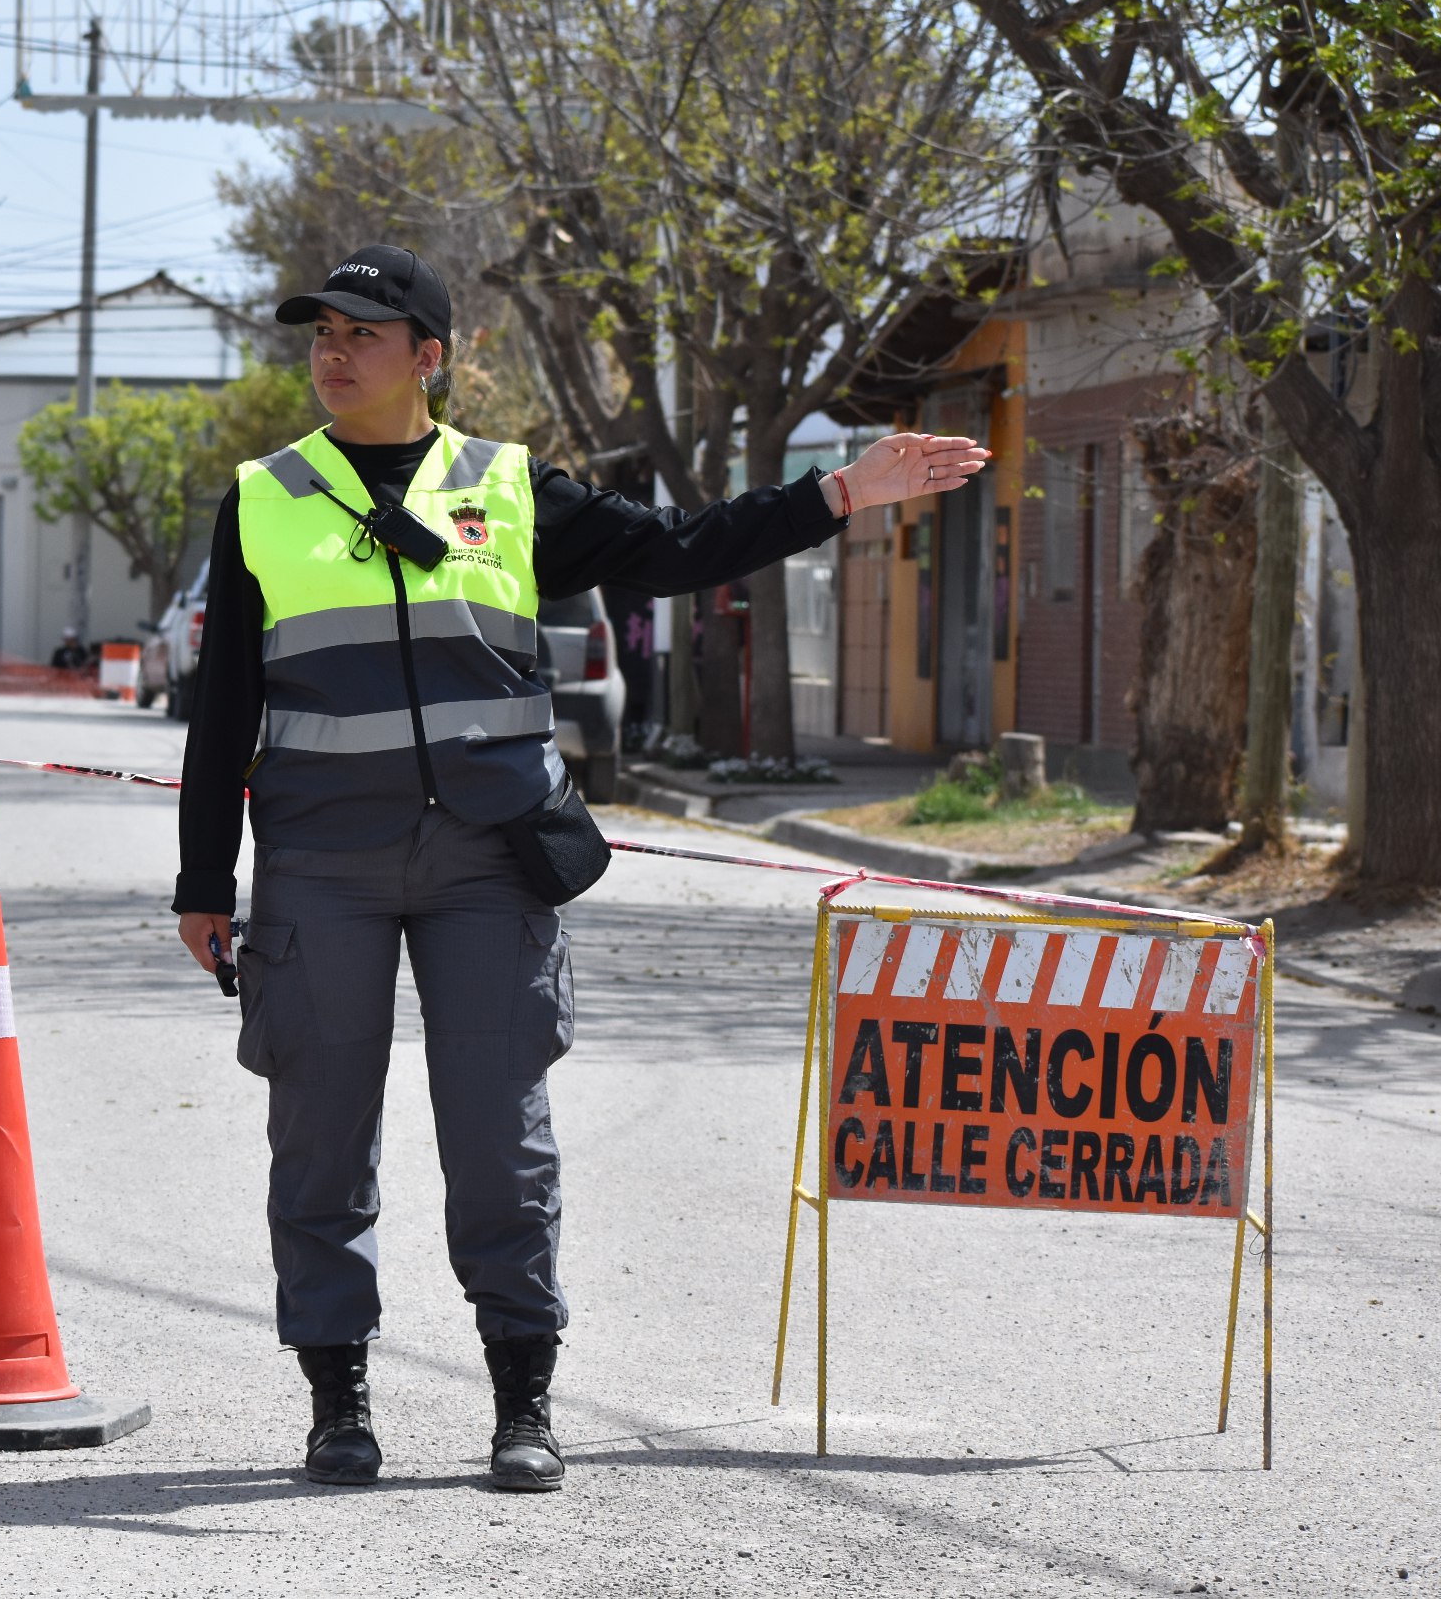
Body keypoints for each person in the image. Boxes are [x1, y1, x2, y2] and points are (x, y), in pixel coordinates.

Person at [171, 245, 987, 1492]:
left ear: (428, 355)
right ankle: (337, 1399)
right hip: (319, 861)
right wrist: (201, 881)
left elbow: (673, 548)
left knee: (501, 1137)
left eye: (364, 333)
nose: (334, 353)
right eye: (320, 333)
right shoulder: (264, 497)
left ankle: (521, 1397)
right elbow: (223, 705)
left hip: (489, 861)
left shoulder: (503, 486)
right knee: (319, 1137)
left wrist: (835, 494)